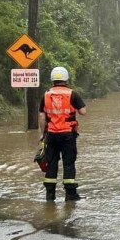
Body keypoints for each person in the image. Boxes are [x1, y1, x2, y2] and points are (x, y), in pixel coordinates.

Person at [38, 66, 86, 201]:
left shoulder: (46, 95)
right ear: (66, 79)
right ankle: (70, 195)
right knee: (68, 163)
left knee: (51, 163)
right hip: (68, 134)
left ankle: (50, 195)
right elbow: (83, 112)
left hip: (51, 134)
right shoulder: (72, 94)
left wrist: (42, 134)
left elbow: (42, 116)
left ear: (52, 79)